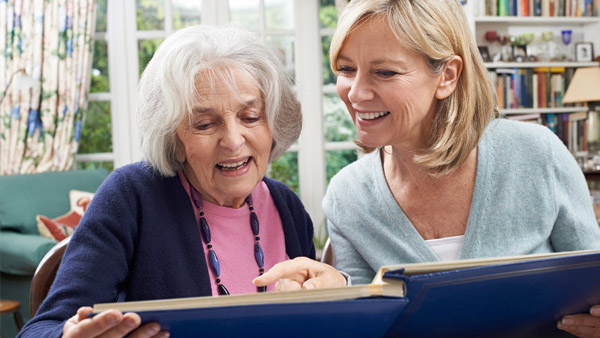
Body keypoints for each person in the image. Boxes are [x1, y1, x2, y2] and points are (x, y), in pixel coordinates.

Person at [256, 0, 600, 337]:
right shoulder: (348, 195)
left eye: (384, 72)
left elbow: (592, 285)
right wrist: (336, 290)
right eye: (346, 70)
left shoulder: (536, 155)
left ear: (447, 76)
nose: (355, 93)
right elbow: (365, 313)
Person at [18, 24, 320, 338]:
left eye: (250, 117)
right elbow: (41, 329)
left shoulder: (287, 207)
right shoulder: (132, 197)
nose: (232, 141)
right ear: (173, 138)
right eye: (204, 123)